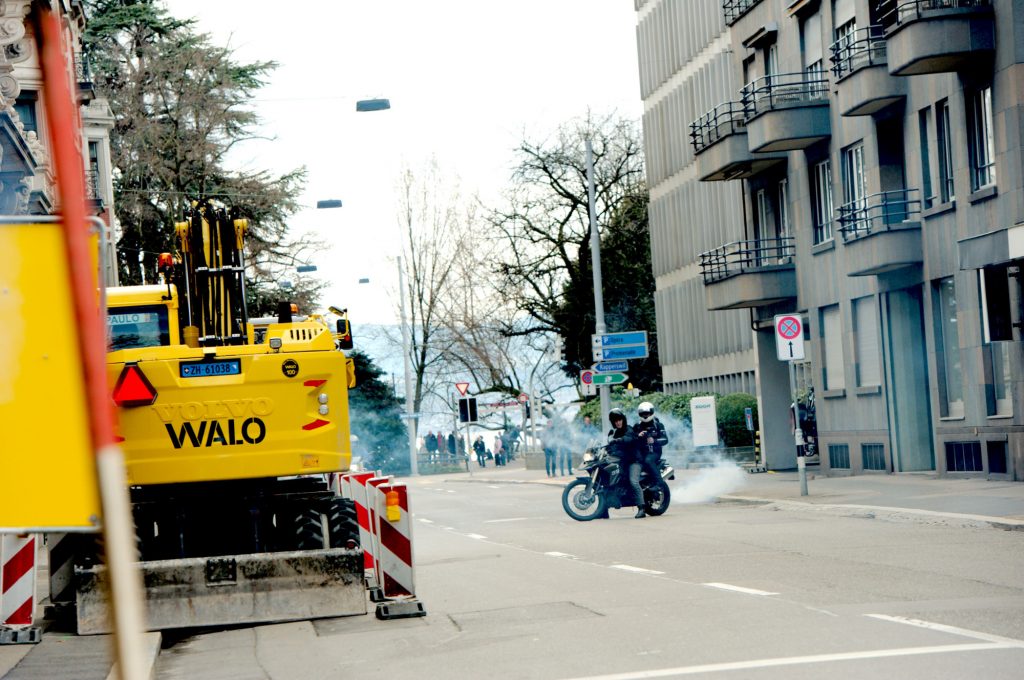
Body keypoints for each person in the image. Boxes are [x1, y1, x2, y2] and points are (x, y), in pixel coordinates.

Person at [606, 408, 644, 518]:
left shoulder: (629, 429)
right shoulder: (615, 433)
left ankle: (642, 508)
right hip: (623, 462)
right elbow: (613, 446)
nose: (618, 422)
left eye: (619, 420)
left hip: (634, 461)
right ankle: (604, 510)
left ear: (623, 420)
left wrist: (619, 440)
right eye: (615, 421)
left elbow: (629, 439)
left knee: (633, 481)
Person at [632, 401, 669, 484]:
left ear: (651, 413)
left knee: (648, 460)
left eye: (647, 413)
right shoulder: (637, 426)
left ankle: (659, 483)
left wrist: (654, 441)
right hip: (640, 452)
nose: (645, 415)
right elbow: (630, 438)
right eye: (643, 414)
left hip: (654, 452)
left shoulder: (658, 425)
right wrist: (638, 436)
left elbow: (665, 440)